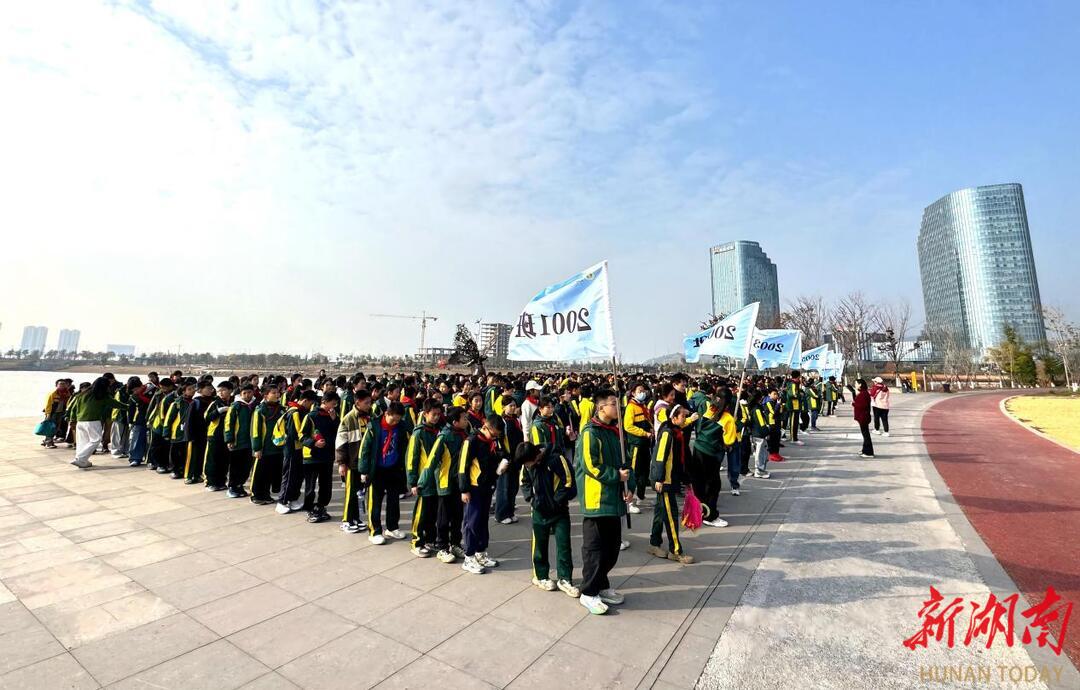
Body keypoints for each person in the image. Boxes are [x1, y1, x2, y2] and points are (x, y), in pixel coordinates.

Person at [576, 389, 634, 615]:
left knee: (611, 548)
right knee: (595, 550)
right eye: (613, 403)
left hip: (614, 498)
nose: (618, 407)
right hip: (597, 499)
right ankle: (588, 592)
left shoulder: (614, 432)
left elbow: (625, 462)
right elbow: (590, 465)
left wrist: (630, 486)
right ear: (601, 407)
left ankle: (601, 584)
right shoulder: (590, 432)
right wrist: (616, 476)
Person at [519, 442, 580, 597]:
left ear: (536, 456)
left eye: (528, 463)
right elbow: (524, 482)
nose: (527, 466)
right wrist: (531, 499)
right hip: (539, 512)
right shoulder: (527, 464)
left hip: (559, 512)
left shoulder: (556, 459)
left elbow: (568, 482)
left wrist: (556, 501)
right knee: (540, 546)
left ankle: (565, 579)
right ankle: (541, 577)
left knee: (564, 545)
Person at [458, 414, 506, 574]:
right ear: (486, 427)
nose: (495, 437)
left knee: (483, 520)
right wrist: (464, 489)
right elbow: (462, 467)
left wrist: (500, 465)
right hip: (473, 488)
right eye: (493, 434)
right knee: (471, 522)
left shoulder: (491, 441)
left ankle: (480, 552)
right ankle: (469, 556)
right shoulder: (471, 441)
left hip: (487, 486)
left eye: (497, 436)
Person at [648, 404, 695, 564]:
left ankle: (654, 543)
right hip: (665, 481)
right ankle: (675, 551)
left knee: (660, 512)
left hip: (669, 478)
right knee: (670, 515)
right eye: (683, 416)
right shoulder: (668, 433)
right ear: (674, 418)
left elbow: (678, 461)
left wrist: (685, 480)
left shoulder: (675, 432)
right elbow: (660, 457)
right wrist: (659, 479)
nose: (685, 419)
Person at [359, 401, 409, 544]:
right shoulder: (374, 427)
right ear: (386, 413)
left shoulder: (401, 427)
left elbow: (404, 446)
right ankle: (374, 531)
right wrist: (364, 470)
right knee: (375, 502)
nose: (395, 422)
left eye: (398, 420)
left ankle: (392, 527)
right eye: (393, 419)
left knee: (394, 501)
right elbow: (365, 449)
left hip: (393, 468)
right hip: (377, 469)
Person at [431, 407, 470, 563]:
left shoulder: (464, 434)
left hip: (458, 482)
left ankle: (455, 543)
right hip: (445, 482)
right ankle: (442, 546)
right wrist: (419, 482)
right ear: (455, 422)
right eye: (464, 418)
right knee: (443, 516)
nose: (466, 421)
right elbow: (432, 460)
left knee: (457, 515)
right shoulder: (444, 437)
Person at [406, 399, 443, 558]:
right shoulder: (419, 433)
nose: (436, 417)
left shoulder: (438, 431)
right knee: (421, 512)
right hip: (424, 480)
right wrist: (413, 481)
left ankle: (430, 539)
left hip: (437, 480)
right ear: (425, 414)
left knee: (432, 512)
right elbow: (411, 458)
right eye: (433, 414)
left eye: (438, 414)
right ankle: (417, 541)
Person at [335, 389, 373, 531]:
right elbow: (340, 442)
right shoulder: (349, 418)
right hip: (352, 462)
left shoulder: (369, 417)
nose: (369, 405)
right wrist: (341, 463)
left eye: (370, 402)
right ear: (357, 403)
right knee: (351, 492)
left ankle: (356, 518)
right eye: (366, 403)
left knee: (359, 492)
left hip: (364, 462)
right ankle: (347, 520)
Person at [300, 390, 340, 522]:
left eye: (335, 404)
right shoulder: (311, 416)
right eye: (332, 404)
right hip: (312, 457)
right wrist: (314, 443)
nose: (333, 407)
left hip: (327, 456)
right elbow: (302, 435)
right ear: (324, 402)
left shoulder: (333, 416)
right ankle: (309, 508)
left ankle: (321, 506)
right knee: (310, 486)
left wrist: (334, 420)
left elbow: (339, 433)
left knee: (326, 485)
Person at [69, 378, 126, 469]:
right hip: (93, 421)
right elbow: (115, 404)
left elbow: (74, 408)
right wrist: (129, 407)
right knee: (96, 440)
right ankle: (80, 458)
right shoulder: (101, 395)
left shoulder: (82, 394)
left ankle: (82, 460)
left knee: (83, 441)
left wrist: (72, 419)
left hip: (80, 421)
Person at [277, 390, 317, 513]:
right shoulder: (294, 412)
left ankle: (293, 498)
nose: (311, 406)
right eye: (310, 403)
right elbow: (296, 433)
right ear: (305, 401)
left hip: (299, 449)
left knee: (298, 476)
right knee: (289, 476)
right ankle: (282, 501)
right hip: (292, 450)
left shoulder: (301, 411)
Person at [250, 385, 286, 504]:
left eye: (278, 392)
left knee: (271, 472)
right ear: (266, 396)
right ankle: (256, 495)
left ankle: (266, 494)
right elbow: (256, 430)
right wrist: (257, 448)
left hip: (277, 447)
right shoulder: (260, 410)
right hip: (264, 448)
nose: (277, 395)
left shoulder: (282, 409)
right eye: (273, 393)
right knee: (260, 472)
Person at [623, 381, 653, 515]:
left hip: (645, 443)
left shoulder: (642, 405)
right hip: (636, 443)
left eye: (644, 391)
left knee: (645, 471)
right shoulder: (631, 407)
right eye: (640, 391)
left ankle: (641, 496)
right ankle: (629, 502)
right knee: (634, 472)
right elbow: (628, 426)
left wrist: (651, 430)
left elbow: (647, 420)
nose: (643, 393)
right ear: (633, 393)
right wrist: (644, 433)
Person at [224, 384, 257, 498]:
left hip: (250, 442)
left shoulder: (255, 405)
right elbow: (228, 423)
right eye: (244, 393)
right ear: (240, 394)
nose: (247, 395)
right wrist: (229, 439)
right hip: (238, 442)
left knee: (246, 466)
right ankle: (232, 487)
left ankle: (240, 485)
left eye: (249, 392)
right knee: (235, 466)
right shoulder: (236, 406)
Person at [202, 381, 233, 491]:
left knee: (224, 460)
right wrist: (219, 411)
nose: (220, 393)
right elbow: (207, 417)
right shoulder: (215, 403)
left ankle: (221, 481)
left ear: (230, 390)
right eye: (219, 391)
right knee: (212, 460)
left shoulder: (233, 402)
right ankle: (210, 482)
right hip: (214, 435)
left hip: (227, 436)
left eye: (223, 390)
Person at [853, 379, 874, 458]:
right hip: (862, 416)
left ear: (860, 384)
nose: (855, 385)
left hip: (863, 416)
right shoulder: (862, 393)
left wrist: (854, 403)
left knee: (866, 435)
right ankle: (865, 450)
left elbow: (863, 405)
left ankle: (869, 452)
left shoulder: (863, 394)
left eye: (856, 383)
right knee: (865, 434)